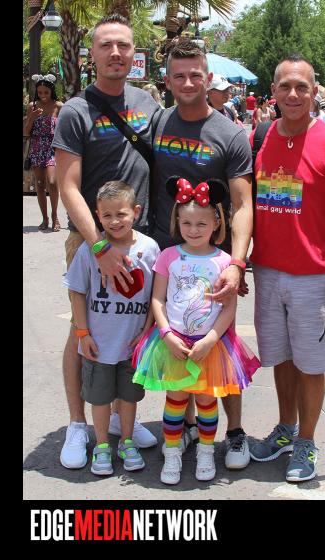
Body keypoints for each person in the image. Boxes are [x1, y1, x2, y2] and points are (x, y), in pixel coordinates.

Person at [53, 14, 162, 470]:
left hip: (139, 238)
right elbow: (67, 185)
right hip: (90, 240)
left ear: (134, 53)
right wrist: (99, 247)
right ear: (91, 54)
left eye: (123, 45)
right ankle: (78, 423)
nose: (115, 53)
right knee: (84, 330)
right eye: (106, 45)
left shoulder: (149, 103)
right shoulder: (76, 110)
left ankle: (118, 416)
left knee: (130, 325)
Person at [248, 54, 325, 482]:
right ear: (273, 92)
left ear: (315, 92)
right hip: (267, 272)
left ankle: (307, 441)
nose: (293, 94)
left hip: (314, 278)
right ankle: (285, 428)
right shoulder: (259, 138)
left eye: (302, 87)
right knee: (281, 358)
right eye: (285, 86)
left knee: (311, 364)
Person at [150, 39, 255, 470]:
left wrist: (237, 263)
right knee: (181, 343)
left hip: (216, 262)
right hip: (169, 255)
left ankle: (235, 433)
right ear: (168, 80)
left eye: (196, 74)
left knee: (221, 352)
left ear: (208, 78)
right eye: (179, 75)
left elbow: (243, 203)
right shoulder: (157, 122)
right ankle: (189, 427)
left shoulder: (229, 134)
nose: (188, 82)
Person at [132, 177, 260, 484]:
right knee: (175, 399)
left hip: (209, 345)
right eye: (187, 223)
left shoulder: (225, 262)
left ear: (216, 223)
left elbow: (228, 308)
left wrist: (211, 340)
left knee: (206, 401)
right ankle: (172, 453)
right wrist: (166, 334)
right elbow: (158, 300)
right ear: (177, 222)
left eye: (201, 223)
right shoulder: (168, 256)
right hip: (174, 342)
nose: (193, 229)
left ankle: (206, 452)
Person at [63, 181, 160, 475]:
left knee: (129, 397)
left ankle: (127, 441)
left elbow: (155, 295)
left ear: (136, 211)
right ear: (97, 215)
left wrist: (146, 331)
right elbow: (77, 291)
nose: (115, 221)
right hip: (99, 344)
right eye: (107, 215)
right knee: (100, 398)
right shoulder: (89, 251)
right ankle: (102, 444)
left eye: (121, 214)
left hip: (132, 346)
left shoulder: (149, 248)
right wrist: (82, 334)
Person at [23, 74, 64, 231]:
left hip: (53, 148)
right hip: (37, 147)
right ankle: (45, 218)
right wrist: (32, 118)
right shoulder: (32, 106)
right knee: (40, 185)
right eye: (40, 92)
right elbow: (26, 132)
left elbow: (65, 128)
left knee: (52, 182)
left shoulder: (59, 106)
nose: (43, 95)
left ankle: (55, 216)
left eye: (46, 92)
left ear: (51, 91)